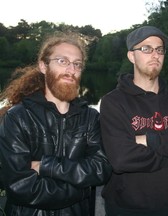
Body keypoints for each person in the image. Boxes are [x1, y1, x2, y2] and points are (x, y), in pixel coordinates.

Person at [99, 25, 168, 216]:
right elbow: (121, 158)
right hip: (124, 208)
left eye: (159, 49)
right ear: (131, 56)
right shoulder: (113, 102)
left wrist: (149, 140)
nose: (155, 54)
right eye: (146, 49)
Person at [0, 31, 112, 216]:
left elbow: (101, 168)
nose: (71, 70)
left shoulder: (90, 117)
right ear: (43, 66)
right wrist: (82, 190)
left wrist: (47, 166)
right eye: (62, 61)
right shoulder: (18, 117)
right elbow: (20, 187)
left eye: (77, 64)